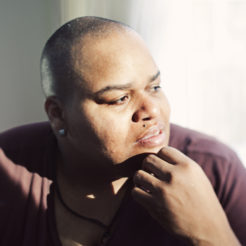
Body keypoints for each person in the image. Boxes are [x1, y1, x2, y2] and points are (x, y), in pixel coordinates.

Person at [0, 16, 245, 246]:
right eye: (120, 98)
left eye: (155, 87)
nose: (151, 110)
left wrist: (210, 234)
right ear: (58, 115)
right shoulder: (8, 167)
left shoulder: (216, 169)